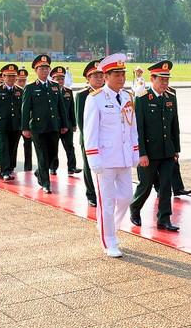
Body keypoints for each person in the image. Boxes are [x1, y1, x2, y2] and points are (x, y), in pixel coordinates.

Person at [83, 53, 139, 257]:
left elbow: (132, 129)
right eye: (116, 74)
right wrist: (93, 158)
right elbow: (90, 132)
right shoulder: (95, 99)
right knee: (107, 201)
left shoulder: (127, 97)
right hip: (105, 159)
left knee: (126, 197)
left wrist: (135, 152)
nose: (121, 78)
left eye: (123, 74)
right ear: (105, 77)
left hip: (123, 157)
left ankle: (108, 227)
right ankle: (109, 241)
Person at [129, 60, 181, 231]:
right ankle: (135, 208)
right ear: (152, 79)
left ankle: (164, 219)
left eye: (167, 79)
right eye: (161, 79)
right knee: (146, 185)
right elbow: (139, 130)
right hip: (149, 153)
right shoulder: (142, 99)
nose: (165, 83)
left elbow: (175, 126)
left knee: (166, 186)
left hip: (167, 151)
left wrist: (176, 150)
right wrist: (141, 153)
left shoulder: (171, 98)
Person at [21, 55, 68, 193]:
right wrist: (25, 128)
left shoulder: (54, 86)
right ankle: (45, 183)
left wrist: (64, 124)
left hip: (53, 125)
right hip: (37, 127)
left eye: (47, 68)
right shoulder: (30, 88)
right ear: (36, 70)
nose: (45, 71)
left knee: (53, 154)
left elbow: (61, 107)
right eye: (41, 68)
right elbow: (25, 109)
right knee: (42, 155)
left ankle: (39, 171)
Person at [75, 60, 103, 207]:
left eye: (101, 76)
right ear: (88, 78)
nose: (99, 79)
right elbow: (80, 120)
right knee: (89, 166)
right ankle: (91, 194)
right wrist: (90, 137)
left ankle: (102, 193)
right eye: (95, 76)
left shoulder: (107, 93)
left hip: (106, 138)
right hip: (89, 138)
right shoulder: (82, 95)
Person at [0, 64, 23, 181]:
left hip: (15, 124)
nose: (12, 79)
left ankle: (10, 168)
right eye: (9, 76)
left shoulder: (20, 91)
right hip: (1, 124)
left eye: (13, 76)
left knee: (13, 148)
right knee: (3, 147)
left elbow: (22, 109)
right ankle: (5, 171)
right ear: (3, 77)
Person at [49, 65, 80, 176]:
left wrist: (74, 123)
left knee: (69, 146)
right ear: (53, 80)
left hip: (67, 123)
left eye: (62, 79)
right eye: (58, 79)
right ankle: (53, 167)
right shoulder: (50, 92)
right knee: (53, 147)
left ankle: (72, 167)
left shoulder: (68, 91)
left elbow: (72, 109)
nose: (61, 81)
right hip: (55, 124)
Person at [16, 67, 33, 171]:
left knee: (28, 147)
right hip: (16, 124)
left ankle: (28, 167)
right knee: (13, 147)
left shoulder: (29, 90)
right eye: (20, 80)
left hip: (26, 124)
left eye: (24, 80)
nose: (22, 83)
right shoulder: (13, 91)